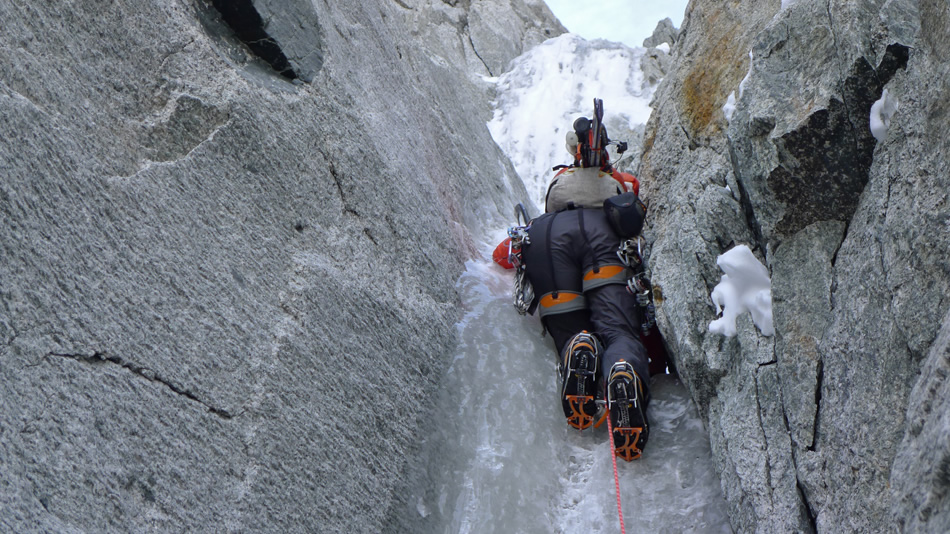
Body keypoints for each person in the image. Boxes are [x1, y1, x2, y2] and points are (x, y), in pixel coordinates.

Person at [520, 99, 652, 461]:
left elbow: (506, 251)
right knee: (618, 332)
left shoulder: (559, 185)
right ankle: (621, 370)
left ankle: (578, 347)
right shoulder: (617, 184)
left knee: (569, 330)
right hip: (603, 240)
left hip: (548, 241)